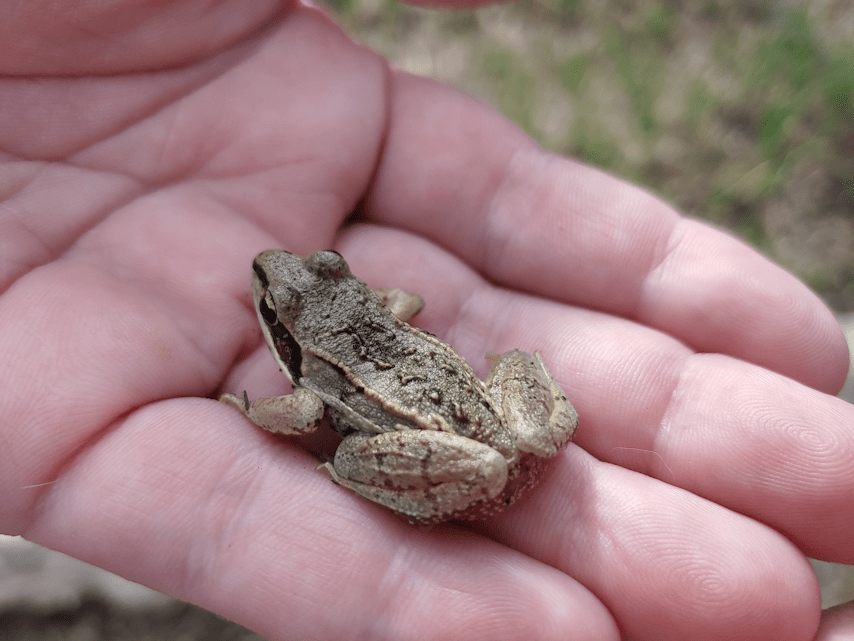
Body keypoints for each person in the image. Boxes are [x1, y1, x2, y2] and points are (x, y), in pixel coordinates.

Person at [2, 2, 852, 640]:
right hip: (508, 431)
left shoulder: (313, 363)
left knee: (344, 456)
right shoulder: (382, 308)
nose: (280, 274)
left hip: (461, 456)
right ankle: (531, 433)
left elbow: (303, 412)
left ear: (299, 326)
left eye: (299, 290)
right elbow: (401, 307)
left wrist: (248, 411)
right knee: (506, 366)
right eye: (281, 301)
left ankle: (453, 475)